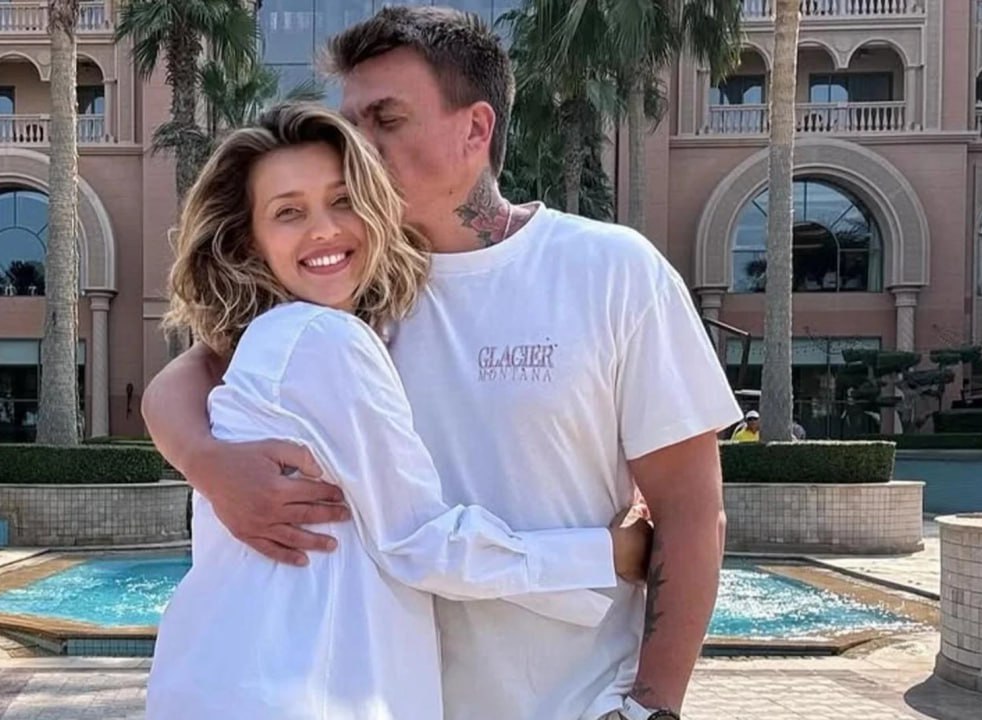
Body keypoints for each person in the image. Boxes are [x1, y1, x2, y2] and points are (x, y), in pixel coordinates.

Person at [142, 7, 742, 720]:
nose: (359, 147)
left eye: (386, 120)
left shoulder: (611, 272)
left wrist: (652, 707)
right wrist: (209, 465)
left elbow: (690, 509)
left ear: (476, 129)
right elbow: (184, 380)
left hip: (578, 702)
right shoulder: (348, 293)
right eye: (351, 122)